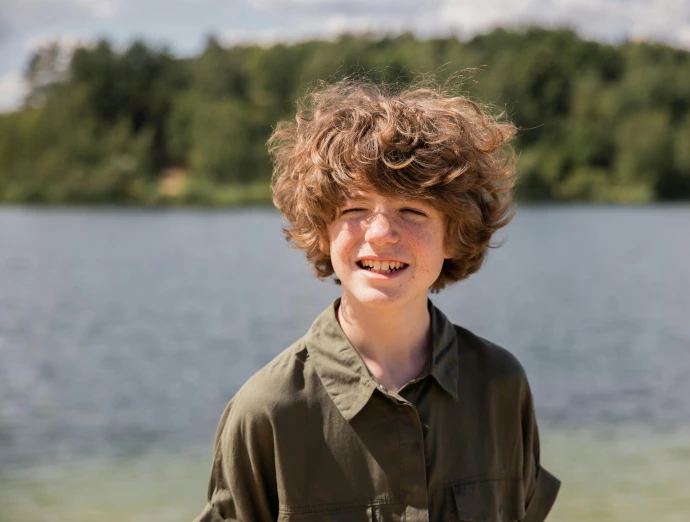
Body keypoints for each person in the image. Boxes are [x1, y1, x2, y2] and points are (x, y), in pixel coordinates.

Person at [194, 79, 560, 522]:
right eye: (354, 210)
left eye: (413, 210)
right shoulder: (266, 411)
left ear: (454, 234)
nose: (382, 233)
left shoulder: (501, 385)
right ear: (323, 230)